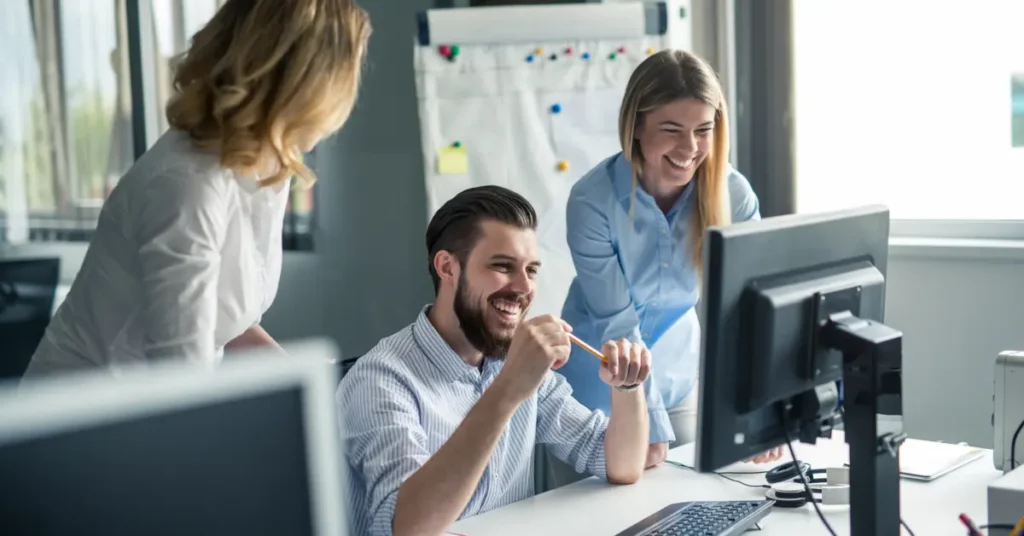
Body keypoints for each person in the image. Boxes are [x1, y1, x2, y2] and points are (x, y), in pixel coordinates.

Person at [22, 0, 371, 378]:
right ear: (308, 87)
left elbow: (224, 319)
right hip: (89, 413)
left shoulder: (263, 165)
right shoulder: (187, 185)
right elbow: (183, 374)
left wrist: (304, 380)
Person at [338, 185, 652, 536]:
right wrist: (508, 389)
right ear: (447, 267)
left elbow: (620, 465)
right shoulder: (380, 380)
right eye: (503, 266)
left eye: (531, 270)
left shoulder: (512, 360)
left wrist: (627, 386)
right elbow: (407, 528)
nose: (523, 288)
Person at [551, 50, 784, 484]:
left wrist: (760, 399)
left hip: (679, 381)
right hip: (594, 390)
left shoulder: (733, 195)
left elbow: (748, 308)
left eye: (703, 130)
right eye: (672, 130)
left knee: (698, 507)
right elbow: (618, 323)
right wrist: (647, 421)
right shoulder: (593, 201)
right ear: (636, 126)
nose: (690, 148)